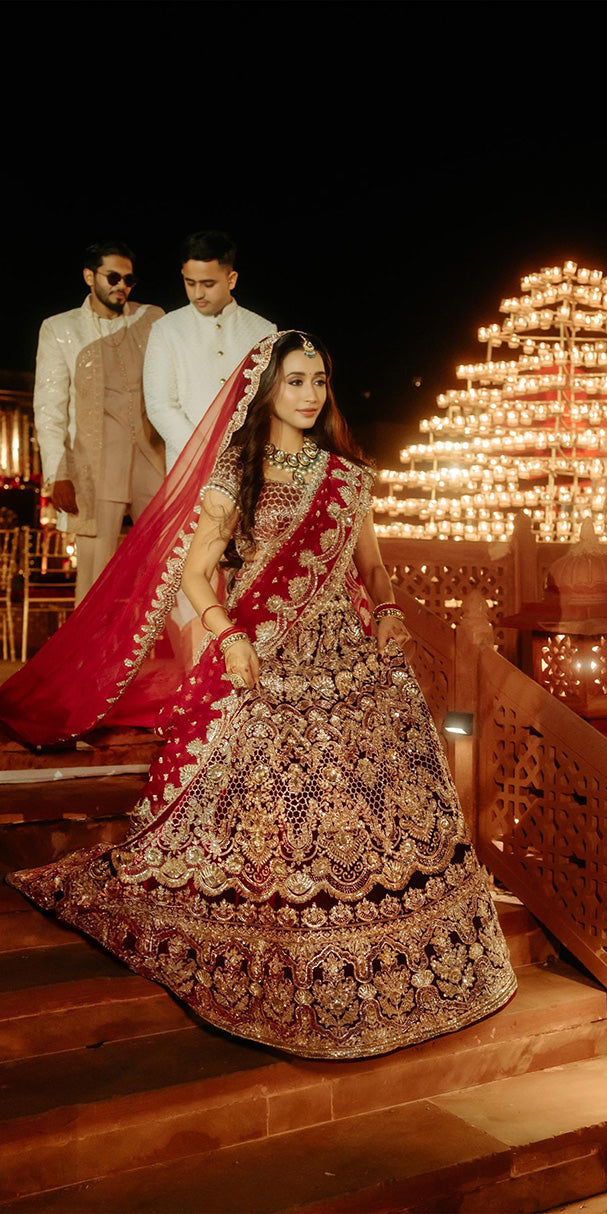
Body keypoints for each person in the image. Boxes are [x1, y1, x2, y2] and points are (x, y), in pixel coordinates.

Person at [4, 331, 516, 1060]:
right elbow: (192, 575)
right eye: (296, 381)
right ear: (267, 390)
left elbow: (373, 568)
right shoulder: (234, 475)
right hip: (265, 658)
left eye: (320, 381)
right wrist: (229, 636)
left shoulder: (348, 476)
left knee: (390, 767)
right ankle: (303, 938)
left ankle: (404, 943)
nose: (310, 394)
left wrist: (393, 615)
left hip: (349, 657)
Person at [33, 240, 166, 602]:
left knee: (173, 558)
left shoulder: (152, 318)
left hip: (151, 455)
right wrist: (58, 473)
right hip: (95, 461)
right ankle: (91, 659)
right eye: (113, 276)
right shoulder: (60, 329)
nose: (121, 285)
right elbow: (49, 407)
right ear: (89, 276)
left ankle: (190, 653)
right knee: (95, 573)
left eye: (129, 278)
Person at [144, 230, 276, 470]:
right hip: (188, 466)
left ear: (231, 279)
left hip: (249, 462)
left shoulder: (263, 329)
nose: (197, 294)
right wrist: (203, 455)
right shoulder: (167, 329)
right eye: (190, 283)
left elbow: (268, 402)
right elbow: (160, 406)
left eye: (208, 284)